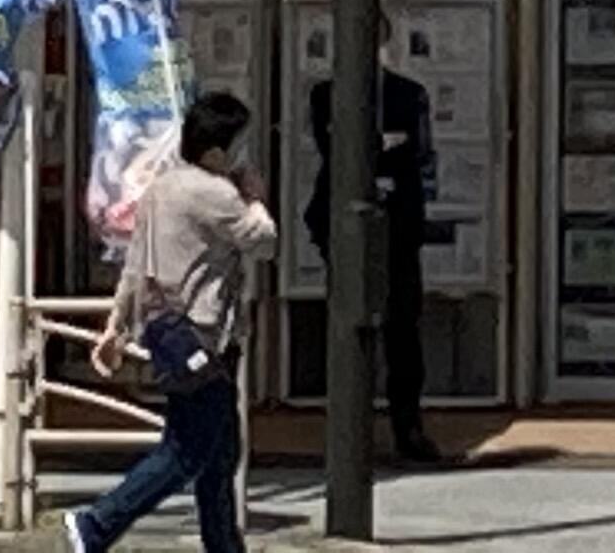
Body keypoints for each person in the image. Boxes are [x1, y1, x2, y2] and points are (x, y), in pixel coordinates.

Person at [68, 91, 274, 553]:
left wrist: (116, 325)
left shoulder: (161, 187)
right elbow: (264, 240)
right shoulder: (215, 193)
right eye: (239, 143)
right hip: (203, 336)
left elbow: (135, 265)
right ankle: (98, 523)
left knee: (219, 454)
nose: (244, 152)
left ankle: (224, 547)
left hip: (170, 330)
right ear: (217, 151)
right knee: (187, 451)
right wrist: (255, 198)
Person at [307, 51, 443, 467]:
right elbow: (333, 147)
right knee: (347, 322)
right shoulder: (325, 94)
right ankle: (348, 425)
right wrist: (381, 144)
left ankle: (407, 424)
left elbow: (417, 150)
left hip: (399, 222)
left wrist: (377, 146)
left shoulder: (409, 93)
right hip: (342, 223)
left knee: (403, 322)